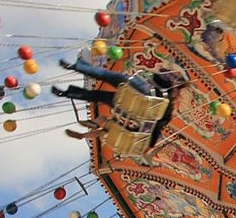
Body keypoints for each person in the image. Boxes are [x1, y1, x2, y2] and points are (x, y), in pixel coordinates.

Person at [52, 57, 184, 149]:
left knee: (107, 76)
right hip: (130, 107)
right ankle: (65, 93)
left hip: (139, 94)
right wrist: (149, 146)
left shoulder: (168, 95)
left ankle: (73, 67)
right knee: (98, 96)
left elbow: (155, 77)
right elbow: (155, 131)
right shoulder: (166, 114)